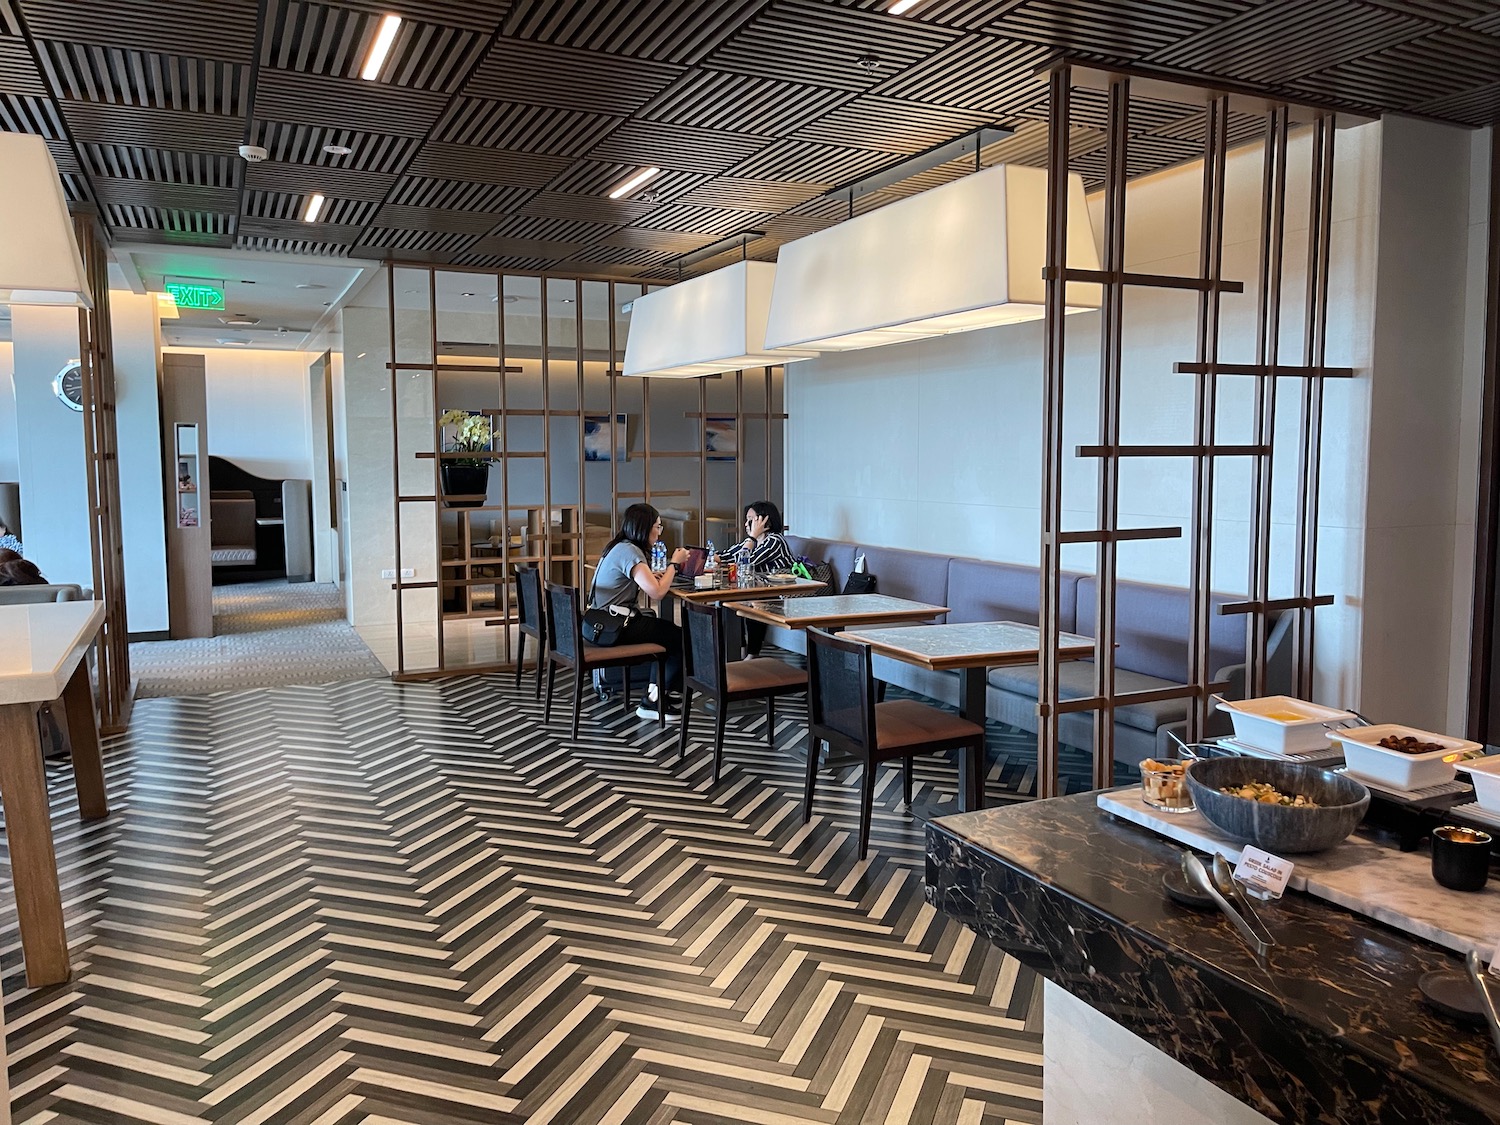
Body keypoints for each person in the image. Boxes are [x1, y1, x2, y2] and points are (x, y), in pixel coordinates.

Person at [591, 503, 689, 720]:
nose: (659, 532)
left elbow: (641, 580)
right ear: (644, 528)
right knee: (680, 637)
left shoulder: (618, 546)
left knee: (666, 633)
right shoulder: (631, 552)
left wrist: (656, 575)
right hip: (615, 627)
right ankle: (652, 701)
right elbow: (657, 593)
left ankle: (657, 694)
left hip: (602, 622)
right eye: (657, 526)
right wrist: (674, 564)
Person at [728, 500, 796, 656]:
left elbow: (744, 563)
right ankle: (738, 650)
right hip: (766, 593)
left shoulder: (774, 541)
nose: (746, 524)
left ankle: (752, 653)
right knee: (731, 603)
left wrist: (751, 537)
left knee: (755, 601)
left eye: (751, 520)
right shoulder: (753, 542)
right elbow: (728, 555)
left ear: (765, 521)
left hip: (785, 595)